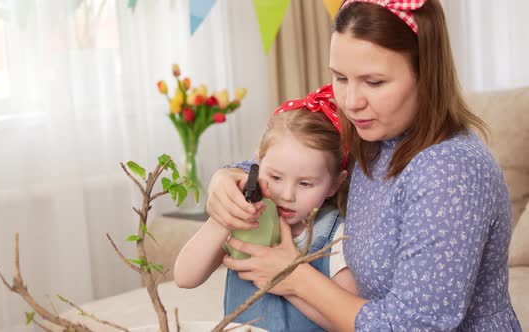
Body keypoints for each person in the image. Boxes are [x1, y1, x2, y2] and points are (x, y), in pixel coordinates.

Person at [205, 0, 522, 330]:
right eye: (340, 77)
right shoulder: (371, 131)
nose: (351, 102)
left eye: (374, 83)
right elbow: (293, 157)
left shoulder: (450, 172)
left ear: (426, 74)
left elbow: (412, 326)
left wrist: (294, 276)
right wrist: (228, 176)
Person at [173, 85, 358, 331]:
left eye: (305, 183)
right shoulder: (246, 215)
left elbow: (348, 323)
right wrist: (224, 218)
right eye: (276, 177)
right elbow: (185, 277)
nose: (287, 195)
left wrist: (288, 282)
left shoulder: (336, 237)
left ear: (335, 184)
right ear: (257, 163)